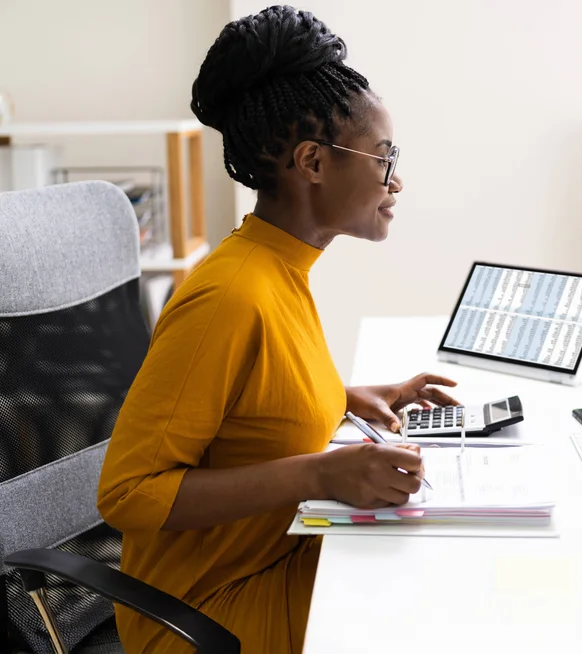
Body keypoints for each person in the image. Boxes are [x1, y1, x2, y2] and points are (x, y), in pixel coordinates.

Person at [97, 6, 456, 653]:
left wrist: (348, 396)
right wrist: (319, 474)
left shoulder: (279, 268)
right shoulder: (230, 295)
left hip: (274, 561)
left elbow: (252, 409)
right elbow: (127, 494)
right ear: (313, 161)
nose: (395, 179)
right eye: (383, 157)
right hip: (207, 614)